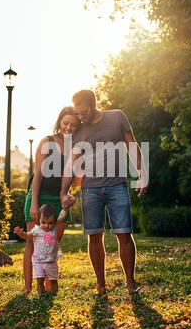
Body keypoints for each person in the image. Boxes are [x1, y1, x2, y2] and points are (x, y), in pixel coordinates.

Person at [60, 90, 147, 295]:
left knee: (124, 233)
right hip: (90, 189)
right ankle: (101, 283)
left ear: (93, 105)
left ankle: (130, 281)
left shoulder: (117, 117)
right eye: (77, 112)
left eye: (83, 112)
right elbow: (72, 165)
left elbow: (132, 146)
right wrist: (63, 192)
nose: (80, 117)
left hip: (117, 185)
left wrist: (142, 175)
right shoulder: (79, 132)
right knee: (94, 236)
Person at [23, 107, 80, 295]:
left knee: (51, 244)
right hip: (39, 196)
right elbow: (38, 175)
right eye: (65, 123)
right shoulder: (47, 142)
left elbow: (76, 177)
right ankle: (28, 286)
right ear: (59, 123)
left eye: (73, 124)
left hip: (59, 200)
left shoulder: (77, 147)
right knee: (32, 243)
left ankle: (47, 284)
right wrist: (33, 203)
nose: (69, 127)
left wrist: (70, 194)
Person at [14, 203, 74, 297]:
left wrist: (65, 209)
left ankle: (54, 295)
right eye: (43, 222)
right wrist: (20, 234)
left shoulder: (54, 228)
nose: (46, 225)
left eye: (50, 223)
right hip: (38, 261)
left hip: (51, 261)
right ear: (39, 221)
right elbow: (28, 236)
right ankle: (41, 296)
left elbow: (61, 217)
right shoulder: (36, 230)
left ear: (54, 222)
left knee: (53, 280)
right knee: (40, 280)